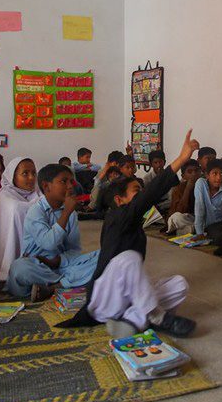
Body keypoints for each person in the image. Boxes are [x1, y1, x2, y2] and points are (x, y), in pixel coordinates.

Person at [56, 130, 200, 338]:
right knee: (129, 258)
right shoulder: (117, 217)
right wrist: (181, 159)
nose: (141, 196)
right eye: (136, 191)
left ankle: (132, 320)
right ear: (119, 200)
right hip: (104, 299)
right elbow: (151, 194)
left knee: (179, 284)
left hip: (125, 301)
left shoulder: (130, 220)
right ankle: (154, 315)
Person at [7, 164, 100, 300]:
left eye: (71, 182)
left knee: (104, 256)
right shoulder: (35, 211)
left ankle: (54, 287)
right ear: (46, 186)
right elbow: (49, 244)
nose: (70, 186)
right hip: (37, 267)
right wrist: (66, 213)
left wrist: (58, 261)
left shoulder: (70, 214)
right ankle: (68, 282)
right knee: (19, 268)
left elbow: (74, 249)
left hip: (61, 266)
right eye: (63, 182)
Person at [0, 157, 40, 281]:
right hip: (11, 251)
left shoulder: (37, 192)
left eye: (33, 173)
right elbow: (19, 210)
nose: (31, 178)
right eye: (25, 174)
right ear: (13, 177)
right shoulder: (5, 195)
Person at [193, 158, 222, 249]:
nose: (218, 178)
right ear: (207, 175)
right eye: (215, 173)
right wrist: (199, 233)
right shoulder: (200, 183)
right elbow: (199, 207)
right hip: (209, 225)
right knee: (218, 238)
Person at [166, 159, 202, 234]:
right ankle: (193, 229)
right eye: (189, 172)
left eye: (196, 171)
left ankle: (188, 230)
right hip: (188, 218)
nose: (194, 174)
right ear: (183, 176)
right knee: (175, 218)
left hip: (201, 218)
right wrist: (187, 189)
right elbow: (179, 211)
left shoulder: (205, 185)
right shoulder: (178, 189)